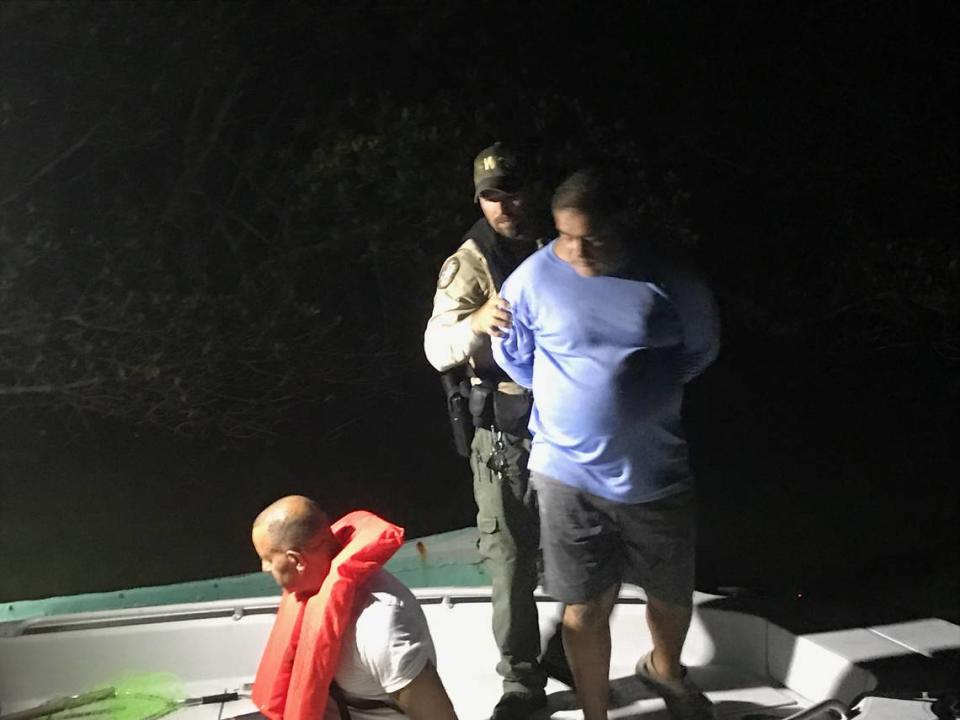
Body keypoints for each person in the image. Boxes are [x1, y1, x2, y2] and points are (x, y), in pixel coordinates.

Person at [492, 170, 721, 720]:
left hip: (655, 470)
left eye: (589, 237)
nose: (573, 250)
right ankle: (597, 714)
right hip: (565, 473)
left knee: (670, 594)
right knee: (583, 606)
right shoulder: (532, 278)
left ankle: (664, 669)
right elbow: (516, 360)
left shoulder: (672, 279)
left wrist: (643, 394)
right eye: (564, 235)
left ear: (623, 227)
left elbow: (700, 352)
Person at [424, 143, 568, 720]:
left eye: (512, 191)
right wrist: (476, 323)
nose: (503, 205)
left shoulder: (563, 241)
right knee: (509, 556)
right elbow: (436, 348)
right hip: (504, 432)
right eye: (490, 195)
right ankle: (521, 679)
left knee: (584, 543)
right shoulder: (468, 262)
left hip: (569, 422)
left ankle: (570, 648)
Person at [250, 495, 459, 720]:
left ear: (297, 560)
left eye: (269, 559)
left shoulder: (379, 626)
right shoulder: (310, 588)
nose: (264, 568)